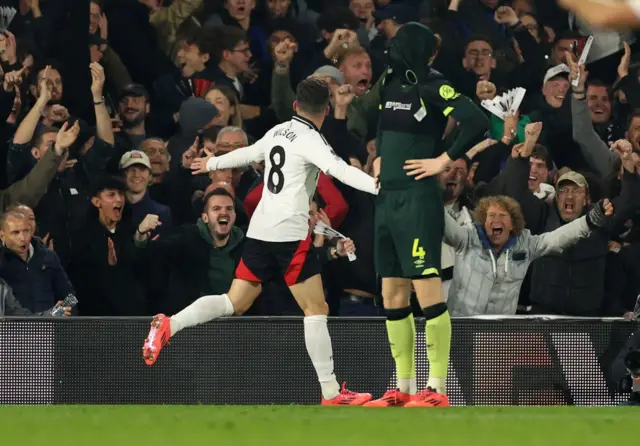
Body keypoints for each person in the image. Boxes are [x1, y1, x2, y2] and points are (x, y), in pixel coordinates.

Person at [142, 78, 378, 406]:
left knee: (234, 302)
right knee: (316, 309)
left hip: (259, 231)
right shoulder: (312, 139)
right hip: (289, 234)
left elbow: (248, 153)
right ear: (326, 109)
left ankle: (171, 322)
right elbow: (338, 169)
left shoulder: (279, 131)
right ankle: (332, 393)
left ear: (296, 105)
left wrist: (211, 163)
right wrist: (377, 187)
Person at [367, 22, 489, 408]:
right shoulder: (389, 82)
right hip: (387, 198)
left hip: (418, 200)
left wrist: (444, 159)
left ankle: (435, 387)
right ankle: (402, 388)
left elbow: (476, 120)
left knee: (426, 289)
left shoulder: (433, 85)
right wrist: (380, 155)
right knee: (392, 293)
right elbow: (384, 125)